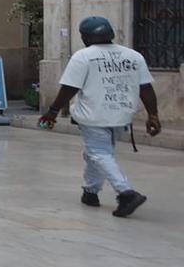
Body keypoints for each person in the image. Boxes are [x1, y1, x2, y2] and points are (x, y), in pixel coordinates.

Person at [39, 15, 161, 218]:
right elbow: (146, 87)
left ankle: (126, 192)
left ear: (85, 37)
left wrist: (52, 112)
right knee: (96, 154)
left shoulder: (83, 56)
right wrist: (153, 114)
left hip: (93, 116)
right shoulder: (133, 56)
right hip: (122, 114)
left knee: (99, 153)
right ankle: (91, 191)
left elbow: (70, 87)